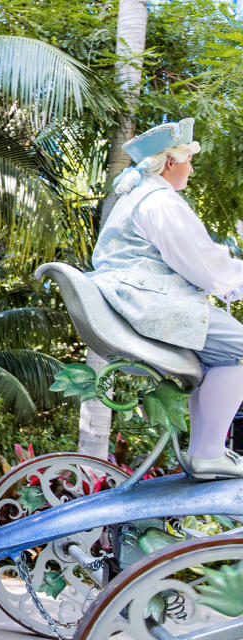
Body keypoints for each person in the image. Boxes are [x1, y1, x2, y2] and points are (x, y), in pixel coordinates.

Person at [89, 117, 243, 479]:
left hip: (138, 301)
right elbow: (200, 262)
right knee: (239, 348)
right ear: (170, 162)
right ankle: (207, 453)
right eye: (188, 158)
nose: (192, 167)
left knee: (225, 356)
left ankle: (208, 452)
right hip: (151, 304)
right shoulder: (159, 201)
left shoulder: (140, 196)